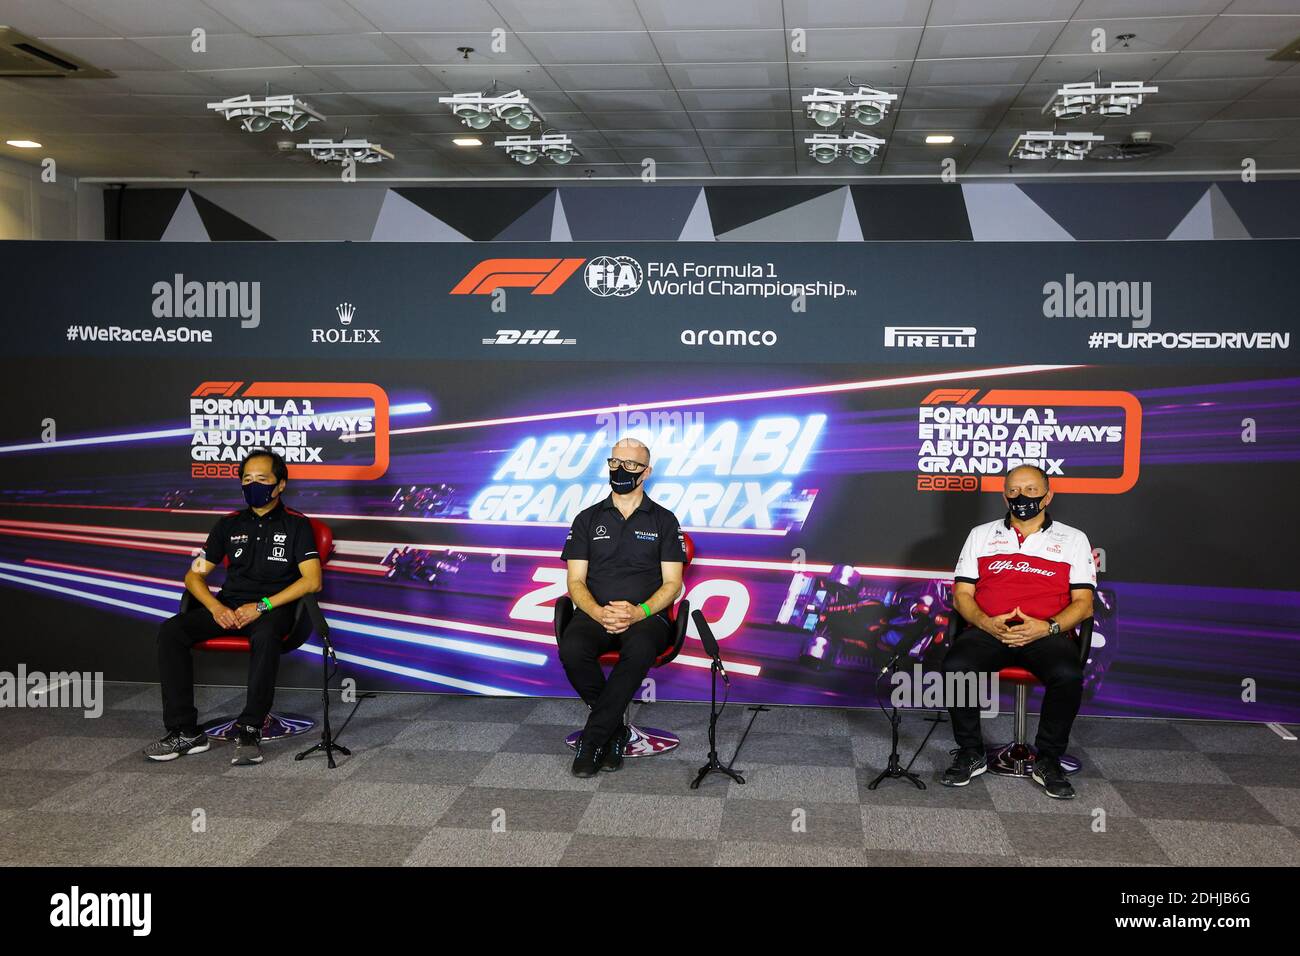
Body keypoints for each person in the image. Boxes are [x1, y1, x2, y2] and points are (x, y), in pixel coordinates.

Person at [144, 449, 321, 766]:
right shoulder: (227, 524)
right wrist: (214, 607)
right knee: (171, 631)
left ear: (280, 484)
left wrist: (262, 606)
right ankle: (185, 732)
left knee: (265, 637)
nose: (254, 485)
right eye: (247, 479)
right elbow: (193, 576)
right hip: (229, 606)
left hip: (273, 609)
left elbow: (311, 581)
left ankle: (251, 728)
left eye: (262, 479)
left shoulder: (298, 525)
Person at [939, 464, 1096, 799]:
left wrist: (1047, 627)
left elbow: (1084, 604)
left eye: (1030, 489)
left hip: (1045, 633)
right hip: (990, 629)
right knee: (955, 667)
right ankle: (971, 751)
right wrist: (985, 622)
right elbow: (961, 595)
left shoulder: (1073, 538)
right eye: (1013, 490)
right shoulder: (981, 535)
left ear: (1048, 494)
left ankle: (1048, 759)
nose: (1021, 496)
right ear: (1004, 495)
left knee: (1067, 675)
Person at [559, 437, 688, 777]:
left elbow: (673, 584)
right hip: (595, 613)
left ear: (647, 471)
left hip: (647, 616)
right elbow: (575, 582)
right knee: (572, 649)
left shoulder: (664, 520)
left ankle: (593, 740)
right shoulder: (586, 519)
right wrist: (599, 612)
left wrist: (639, 612)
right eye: (615, 462)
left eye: (631, 465)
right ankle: (615, 731)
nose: (621, 470)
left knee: (641, 648)